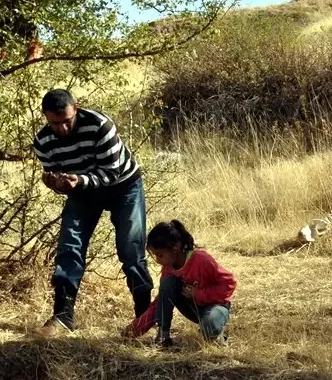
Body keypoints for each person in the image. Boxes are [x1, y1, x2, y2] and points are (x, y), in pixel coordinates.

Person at [33, 88, 154, 337]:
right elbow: (56, 175)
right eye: (55, 123)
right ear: (45, 116)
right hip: (83, 190)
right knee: (69, 246)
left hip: (124, 186)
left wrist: (78, 181)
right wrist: (55, 183)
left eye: (66, 121)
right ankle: (63, 316)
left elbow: (112, 173)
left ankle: (145, 317)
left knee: (130, 248)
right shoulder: (43, 141)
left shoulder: (100, 125)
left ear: (75, 108)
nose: (62, 129)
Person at [122, 219, 236, 348]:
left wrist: (198, 294)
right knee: (168, 283)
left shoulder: (201, 259)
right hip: (192, 308)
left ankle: (218, 330)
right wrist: (135, 329)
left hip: (215, 307)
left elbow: (229, 283)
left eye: (160, 255)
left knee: (210, 327)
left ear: (175, 247)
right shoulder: (169, 268)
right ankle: (163, 334)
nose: (158, 260)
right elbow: (161, 302)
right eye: (155, 256)